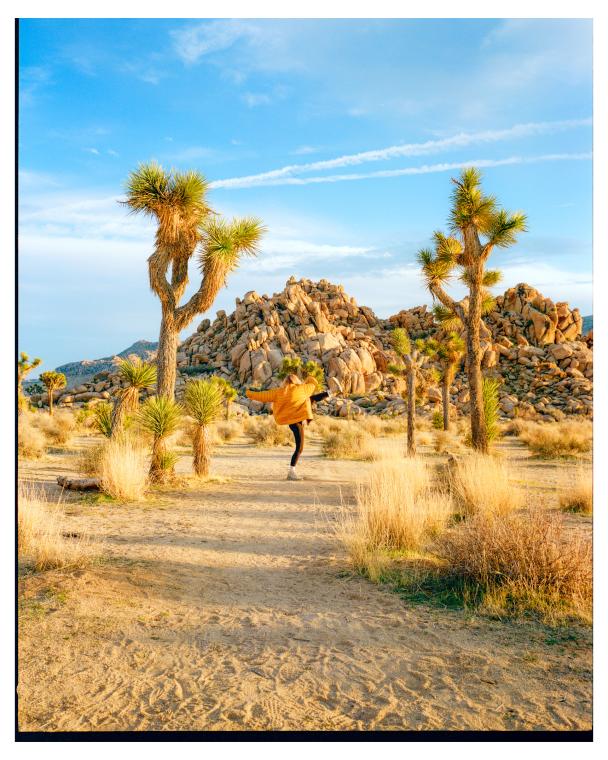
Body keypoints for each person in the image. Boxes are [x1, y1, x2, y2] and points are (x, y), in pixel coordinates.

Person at [246, 374, 341, 480]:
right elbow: (313, 383)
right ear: (296, 380)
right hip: (297, 421)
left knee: (309, 399)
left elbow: (262, 396)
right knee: (300, 448)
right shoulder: (302, 389)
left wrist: (248, 393)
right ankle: (291, 472)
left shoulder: (279, 392)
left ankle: (332, 391)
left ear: (285, 382)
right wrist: (308, 378)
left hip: (292, 422)